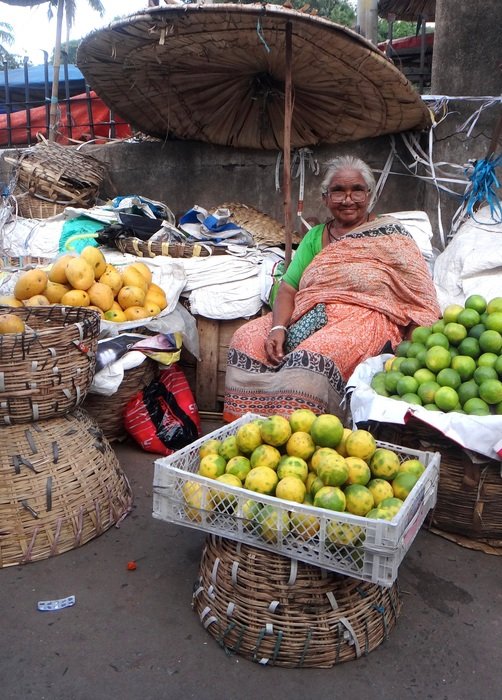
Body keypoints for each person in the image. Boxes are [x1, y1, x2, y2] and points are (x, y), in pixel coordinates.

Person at [223, 155, 441, 422]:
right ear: (326, 198)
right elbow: (289, 288)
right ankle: (251, 427)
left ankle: (301, 436)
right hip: (306, 314)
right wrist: (278, 327)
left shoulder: (391, 236)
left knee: (309, 363)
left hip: (364, 320)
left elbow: (419, 292)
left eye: (357, 190)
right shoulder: (315, 237)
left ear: (369, 195)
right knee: (245, 340)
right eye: (338, 191)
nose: (348, 199)